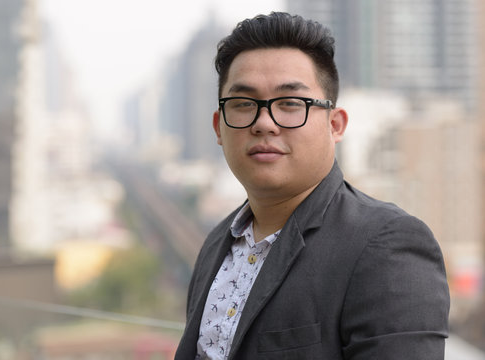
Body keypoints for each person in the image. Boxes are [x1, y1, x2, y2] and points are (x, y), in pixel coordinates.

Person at [175, 12, 450, 360]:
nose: (264, 123)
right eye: (244, 104)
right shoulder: (217, 242)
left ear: (335, 125)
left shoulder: (386, 246)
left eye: (290, 104)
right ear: (218, 127)